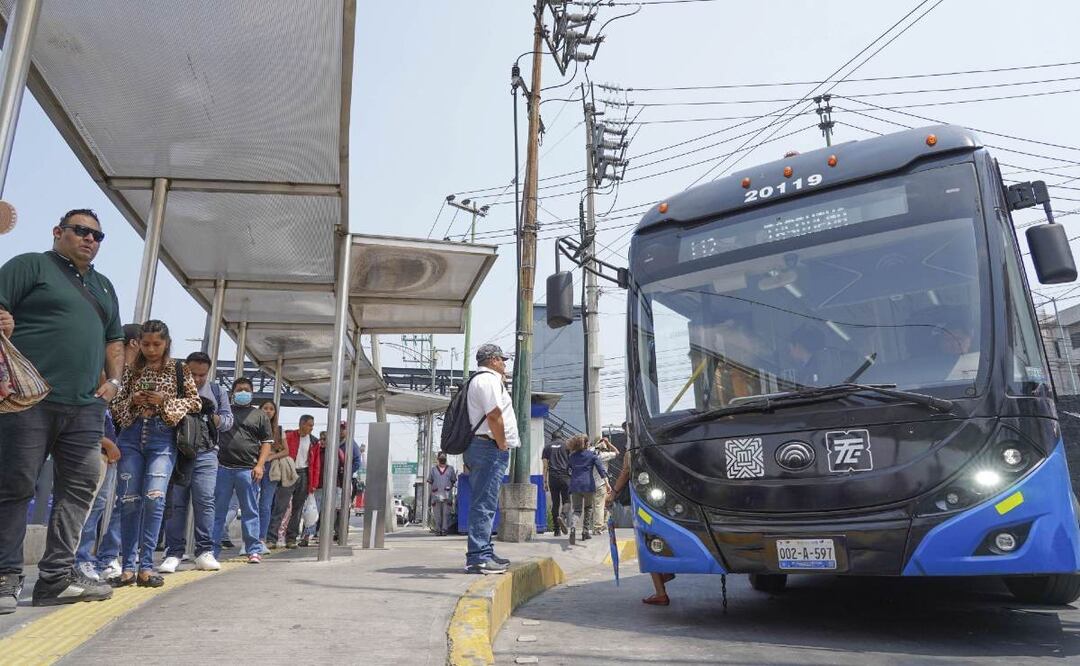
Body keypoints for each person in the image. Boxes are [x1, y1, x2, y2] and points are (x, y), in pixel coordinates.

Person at [0, 209, 125, 611]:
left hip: (86, 406)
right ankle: (6, 576)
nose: (90, 239)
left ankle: (55, 577)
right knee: (16, 486)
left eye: (97, 235)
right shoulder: (30, 265)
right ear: (58, 232)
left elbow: (114, 340)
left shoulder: (104, 286)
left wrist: (115, 382)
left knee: (81, 487)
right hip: (28, 399)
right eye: (81, 231)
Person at [110, 320, 201, 588]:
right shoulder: (130, 370)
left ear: (166, 343)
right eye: (146, 344)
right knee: (128, 500)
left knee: (155, 498)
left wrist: (165, 402)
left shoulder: (179, 370)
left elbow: (195, 403)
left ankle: (146, 566)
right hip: (131, 436)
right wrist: (133, 401)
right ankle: (128, 566)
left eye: (157, 344)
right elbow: (116, 405)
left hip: (163, 437)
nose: (151, 349)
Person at [74, 323, 142, 583]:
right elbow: (89, 411)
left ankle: (104, 559)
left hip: (114, 449)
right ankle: (81, 560)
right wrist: (106, 441)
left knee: (113, 505)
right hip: (99, 447)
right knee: (93, 505)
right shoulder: (103, 371)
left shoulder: (129, 375)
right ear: (134, 343)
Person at [157, 351, 233, 574]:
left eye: (202, 375)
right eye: (193, 374)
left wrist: (213, 416)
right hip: (179, 452)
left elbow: (228, 420)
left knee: (205, 500)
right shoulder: (171, 389)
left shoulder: (218, 391)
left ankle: (204, 551)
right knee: (176, 503)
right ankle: (173, 552)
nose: (197, 379)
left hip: (207, 453)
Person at [464, 343, 520, 575]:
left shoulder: (483, 380)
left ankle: (484, 551)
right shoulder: (487, 380)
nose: (505, 364)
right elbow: (494, 415)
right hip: (488, 447)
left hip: (486, 447)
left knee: (486, 503)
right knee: (484, 504)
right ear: (492, 360)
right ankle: (478, 558)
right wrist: (502, 443)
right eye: (502, 359)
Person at [212, 378, 273, 564]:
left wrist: (260, 465)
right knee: (217, 512)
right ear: (232, 393)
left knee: (250, 511)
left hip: (248, 470)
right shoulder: (224, 413)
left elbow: (267, 443)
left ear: (252, 392)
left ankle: (253, 550)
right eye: (239, 389)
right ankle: (211, 551)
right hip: (222, 468)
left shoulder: (259, 415)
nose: (243, 392)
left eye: (246, 389)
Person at [607, 449, 674, 606]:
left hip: (646, 504)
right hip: (667, 500)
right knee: (662, 538)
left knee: (648, 541)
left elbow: (625, 472)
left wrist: (613, 493)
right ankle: (667, 573)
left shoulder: (633, 448)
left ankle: (660, 592)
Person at [270, 414, 318, 549]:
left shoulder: (314, 441)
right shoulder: (289, 436)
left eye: (312, 425)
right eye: (309, 425)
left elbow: (315, 464)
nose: (311, 428)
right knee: (281, 506)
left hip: (304, 474)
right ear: (301, 424)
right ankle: (271, 538)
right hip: (289, 472)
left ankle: (291, 538)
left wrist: (313, 483)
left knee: (297, 508)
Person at [257, 400, 289, 548]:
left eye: (271, 409)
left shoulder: (279, 429)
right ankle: (250, 537)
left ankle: (261, 538)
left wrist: (270, 457)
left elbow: (286, 451)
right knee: (250, 503)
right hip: (253, 465)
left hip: (271, 468)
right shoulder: (253, 425)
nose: (268, 411)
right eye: (265, 408)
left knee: (265, 504)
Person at [567, 435, 606, 542]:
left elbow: (568, 470)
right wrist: (607, 483)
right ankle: (585, 531)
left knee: (577, 510)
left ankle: (573, 528)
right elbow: (601, 469)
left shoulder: (572, 456)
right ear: (587, 444)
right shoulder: (592, 455)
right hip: (588, 485)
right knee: (588, 508)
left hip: (575, 485)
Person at [587, 437, 618, 536]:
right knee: (600, 506)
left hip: (590, 483)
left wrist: (598, 443)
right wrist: (608, 443)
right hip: (602, 483)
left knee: (594, 506)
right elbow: (617, 452)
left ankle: (596, 525)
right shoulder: (605, 455)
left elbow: (590, 449)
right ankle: (598, 527)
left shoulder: (590, 454)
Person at [542, 437, 571, 536]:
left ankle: (556, 530)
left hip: (553, 477)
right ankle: (562, 517)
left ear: (552, 438)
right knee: (566, 501)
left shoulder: (547, 447)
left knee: (555, 503)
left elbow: (545, 466)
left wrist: (545, 481)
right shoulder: (566, 446)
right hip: (565, 476)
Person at [427, 452, 457, 536]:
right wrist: (430, 497)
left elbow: (453, 480)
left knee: (446, 514)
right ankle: (438, 530)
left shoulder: (451, 469)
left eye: (444, 457)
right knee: (437, 515)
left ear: (446, 459)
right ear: (438, 458)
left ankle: (444, 530)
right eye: (441, 457)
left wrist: (450, 488)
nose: (442, 459)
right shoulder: (433, 469)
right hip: (436, 495)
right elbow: (430, 482)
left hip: (447, 496)